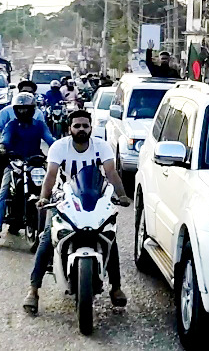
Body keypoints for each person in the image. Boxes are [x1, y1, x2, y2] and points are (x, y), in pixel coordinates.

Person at [24, 110, 131, 314]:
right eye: (77, 126)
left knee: (109, 235)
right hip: (63, 199)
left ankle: (116, 288)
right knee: (47, 238)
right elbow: (51, 175)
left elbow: (111, 173)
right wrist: (44, 198)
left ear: (91, 128)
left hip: (95, 198)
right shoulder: (59, 147)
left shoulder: (101, 146)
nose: (81, 129)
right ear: (69, 128)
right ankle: (33, 290)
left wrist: (123, 196)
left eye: (85, 126)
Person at [0, 93, 56, 244]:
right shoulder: (11, 125)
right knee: (3, 190)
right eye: (20, 109)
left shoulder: (39, 125)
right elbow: (5, 140)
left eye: (26, 109)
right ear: (15, 110)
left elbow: (50, 139)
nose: (23, 112)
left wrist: (62, 147)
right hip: (15, 163)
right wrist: (2, 148)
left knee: (52, 188)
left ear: (33, 109)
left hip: (35, 163)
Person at [0, 80, 46, 206]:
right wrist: (5, 143)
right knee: (3, 187)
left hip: (33, 154)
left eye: (30, 93)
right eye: (24, 92)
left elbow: (46, 135)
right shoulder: (7, 113)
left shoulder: (38, 115)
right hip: (12, 154)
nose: (23, 111)